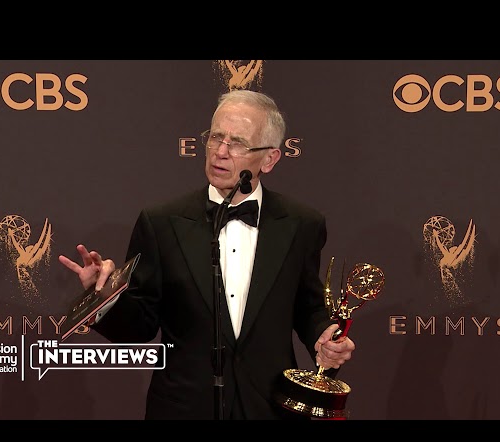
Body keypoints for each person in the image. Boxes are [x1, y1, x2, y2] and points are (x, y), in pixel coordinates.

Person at [58, 89, 355, 420]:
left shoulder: (301, 224)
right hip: (185, 407)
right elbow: (139, 327)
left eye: (238, 143)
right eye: (215, 138)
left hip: (269, 406)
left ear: (269, 158)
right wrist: (103, 296)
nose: (221, 152)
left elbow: (307, 305)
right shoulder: (161, 222)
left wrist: (324, 335)